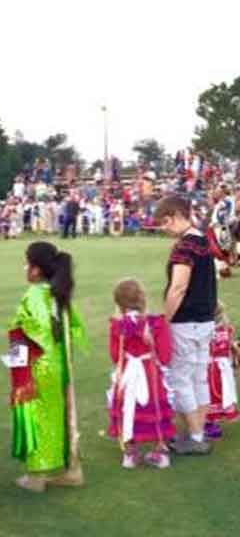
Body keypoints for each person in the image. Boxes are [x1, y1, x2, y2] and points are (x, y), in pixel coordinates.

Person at [8, 241, 87, 492]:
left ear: (35, 269)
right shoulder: (57, 292)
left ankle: (36, 476)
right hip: (59, 362)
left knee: (37, 417)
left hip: (38, 364)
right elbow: (71, 328)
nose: (23, 268)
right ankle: (72, 469)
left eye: (26, 263)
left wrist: (20, 363)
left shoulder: (34, 294)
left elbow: (36, 331)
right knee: (60, 414)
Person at [155, 196, 217, 456]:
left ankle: (194, 436)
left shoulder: (184, 247)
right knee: (199, 377)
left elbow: (178, 287)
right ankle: (198, 432)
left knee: (180, 378)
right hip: (205, 320)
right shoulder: (203, 240)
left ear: (174, 216)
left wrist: (164, 321)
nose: (163, 229)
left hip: (186, 321)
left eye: (164, 223)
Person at [105, 279, 174, 469]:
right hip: (150, 372)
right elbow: (165, 355)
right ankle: (161, 452)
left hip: (127, 372)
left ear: (118, 302)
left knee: (128, 407)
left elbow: (114, 355)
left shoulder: (117, 325)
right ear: (142, 298)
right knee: (155, 408)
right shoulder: (156, 323)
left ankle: (130, 454)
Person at [205, 303, 238, 430]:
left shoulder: (206, 332)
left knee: (211, 393)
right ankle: (215, 420)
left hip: (211, 367)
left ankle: (211, 424)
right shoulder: (227, 329)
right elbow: (230, 346)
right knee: (222, 391)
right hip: (223, 367)